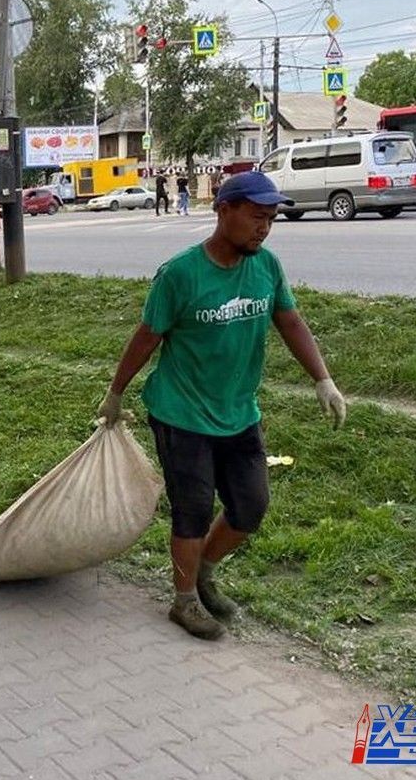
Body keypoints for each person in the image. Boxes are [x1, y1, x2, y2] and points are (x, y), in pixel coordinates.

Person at [96, 172, 347, 641]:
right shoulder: (180, 274)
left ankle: (205, 572)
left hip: (238, 411)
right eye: (256, 217)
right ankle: (184, 600)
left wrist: (323, 379)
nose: (264, 228)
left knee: (250, 506)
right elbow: (147, 337)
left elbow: (290, 320)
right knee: (192, 509)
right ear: (224, 210)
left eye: (271, 219)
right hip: (181, 412)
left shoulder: (267, 267)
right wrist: (116, 392)